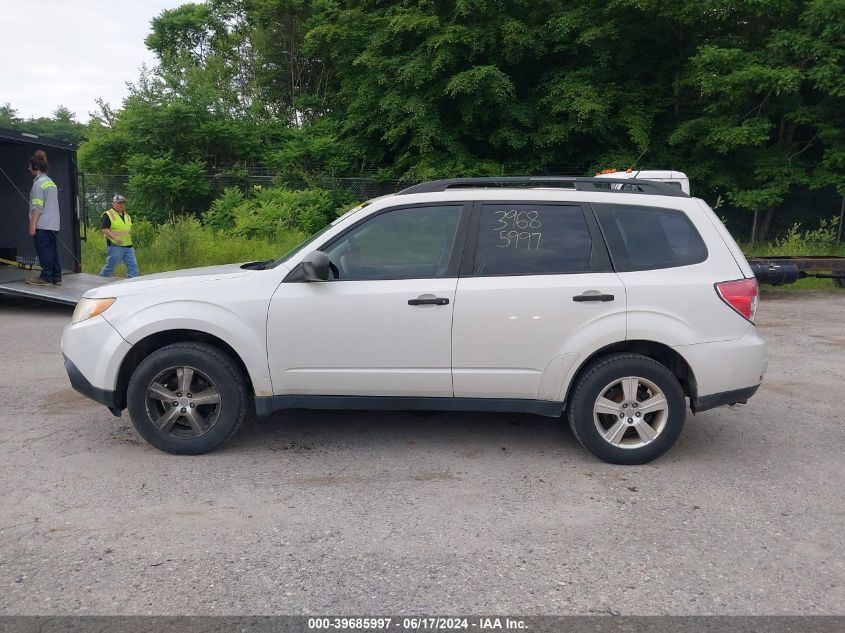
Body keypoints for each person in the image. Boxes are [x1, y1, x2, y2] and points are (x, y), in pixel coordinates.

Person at [26, 152, 62, 286]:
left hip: (42, 224)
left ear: (35, 167)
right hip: (53, 224)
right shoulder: (51, 182)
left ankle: (46, 278)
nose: (28, 168)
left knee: (44, 251)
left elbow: (37, 207)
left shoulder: (38, 184)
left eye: (30, 166)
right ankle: (56, 277)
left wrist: (32, 225)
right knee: (53, 251)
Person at [100, 194, 139, 278]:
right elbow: (104, 229)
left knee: (133, 266)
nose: (121, 205)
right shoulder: (108, 214)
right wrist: (115, 238)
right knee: (111, 266)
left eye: (122, 203)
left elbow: (126, 231)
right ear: (113, 204)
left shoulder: (127, 216)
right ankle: (101, 280)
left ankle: (134, 283)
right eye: (119, 203)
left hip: (128, 246)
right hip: (115, 246)